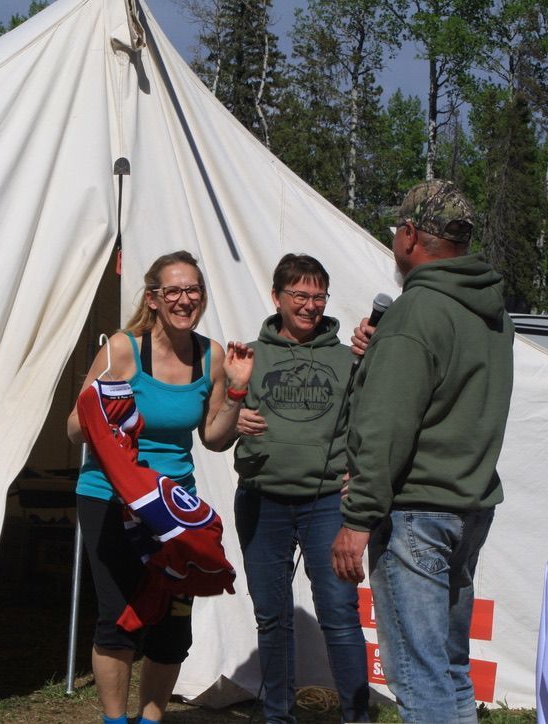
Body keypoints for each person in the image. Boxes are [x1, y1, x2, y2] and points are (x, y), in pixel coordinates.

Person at [332, 179, 515, 723]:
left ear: (410, 236)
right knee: (450, 669)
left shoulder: (418, 310)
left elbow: (387, 424)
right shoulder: (491, 312)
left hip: (416, 513)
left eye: (397, 233)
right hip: (469, 504)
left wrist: (358, 518)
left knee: (419, 675)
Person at [67, 250, 254, 724]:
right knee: (119, 615)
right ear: (153, 298)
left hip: (173, 509)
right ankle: (115, 721)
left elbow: (212, 438)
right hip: (110, 499)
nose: (184, 299)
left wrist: (235, 394)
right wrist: (109, 418)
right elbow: (74, 426)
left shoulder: (211, 356)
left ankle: (150, 721)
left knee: (173, 627)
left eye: (192, 290)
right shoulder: (123, 350)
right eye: (173, 290)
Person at [232, 253, 370, 724]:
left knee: (339, 612)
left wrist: (359, 471)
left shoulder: (349, 357)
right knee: (272, 618)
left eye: (318, 296)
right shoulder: (248, 355)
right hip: (261, 500)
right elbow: (214, 426)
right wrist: (234, 411)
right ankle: (278, 716)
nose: (310, 305)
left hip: (327, 502)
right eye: (300, 295)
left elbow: (368, 424)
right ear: (277, 297)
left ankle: (357, 715)